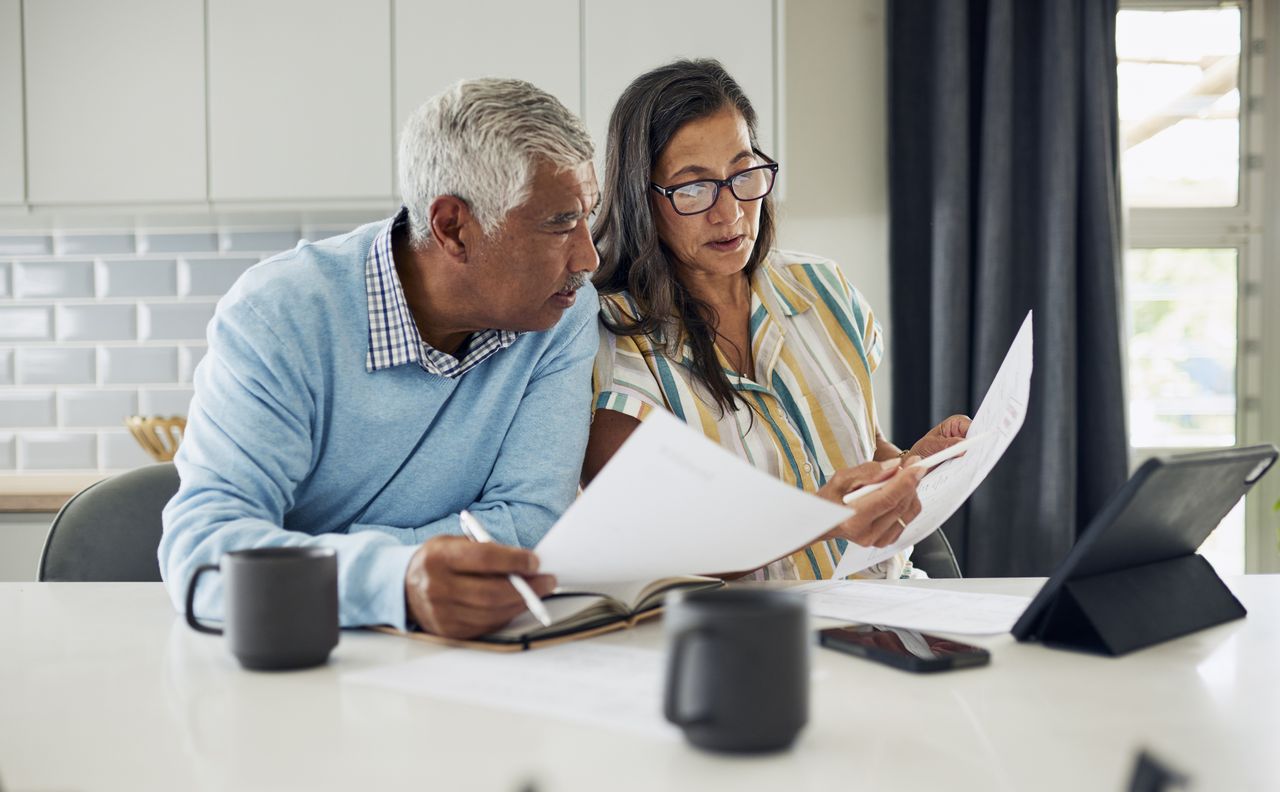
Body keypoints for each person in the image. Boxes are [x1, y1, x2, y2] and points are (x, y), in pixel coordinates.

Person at [161, 78, 601, 639]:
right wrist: (395, 581)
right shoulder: (279, 315)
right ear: (453, 229)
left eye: (587, 216)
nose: (587, 256)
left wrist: (324, 564)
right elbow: (205, 553)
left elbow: (529, 528)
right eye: (560, 223)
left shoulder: (562, 312)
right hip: (297, 656)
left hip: (462, 661)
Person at [584, 60, 969, 580]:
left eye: (743, 175)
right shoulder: (608, 344)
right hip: (749, 640)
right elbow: (653, 546)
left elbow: (862, 445)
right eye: (693, 189)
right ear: (642, 198)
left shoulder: (823, 288)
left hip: (889, 611)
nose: (730, 213)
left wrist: (911, 466)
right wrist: (820, 521)